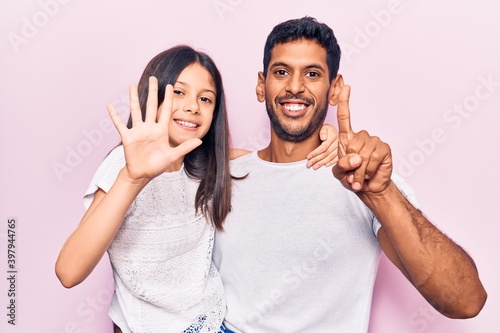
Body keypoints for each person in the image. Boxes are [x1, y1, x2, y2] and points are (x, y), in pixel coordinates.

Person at [213, 17, 487, 332]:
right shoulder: (224, 175)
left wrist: (380, 195)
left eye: (312, 74)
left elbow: (466, 301)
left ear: (335, 89)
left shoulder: (365, 176)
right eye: (281, 72)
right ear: (262, 85)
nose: (294, 87)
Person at [55, 45, 337, 333]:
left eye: (205, 98)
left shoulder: (205, 161)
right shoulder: (124, 166)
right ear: (154, 96)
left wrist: (326, 138)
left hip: (212, 322)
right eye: (179, 92)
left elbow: (269, 157)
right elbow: (68, 272)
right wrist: (132, 178)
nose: (192, 106)